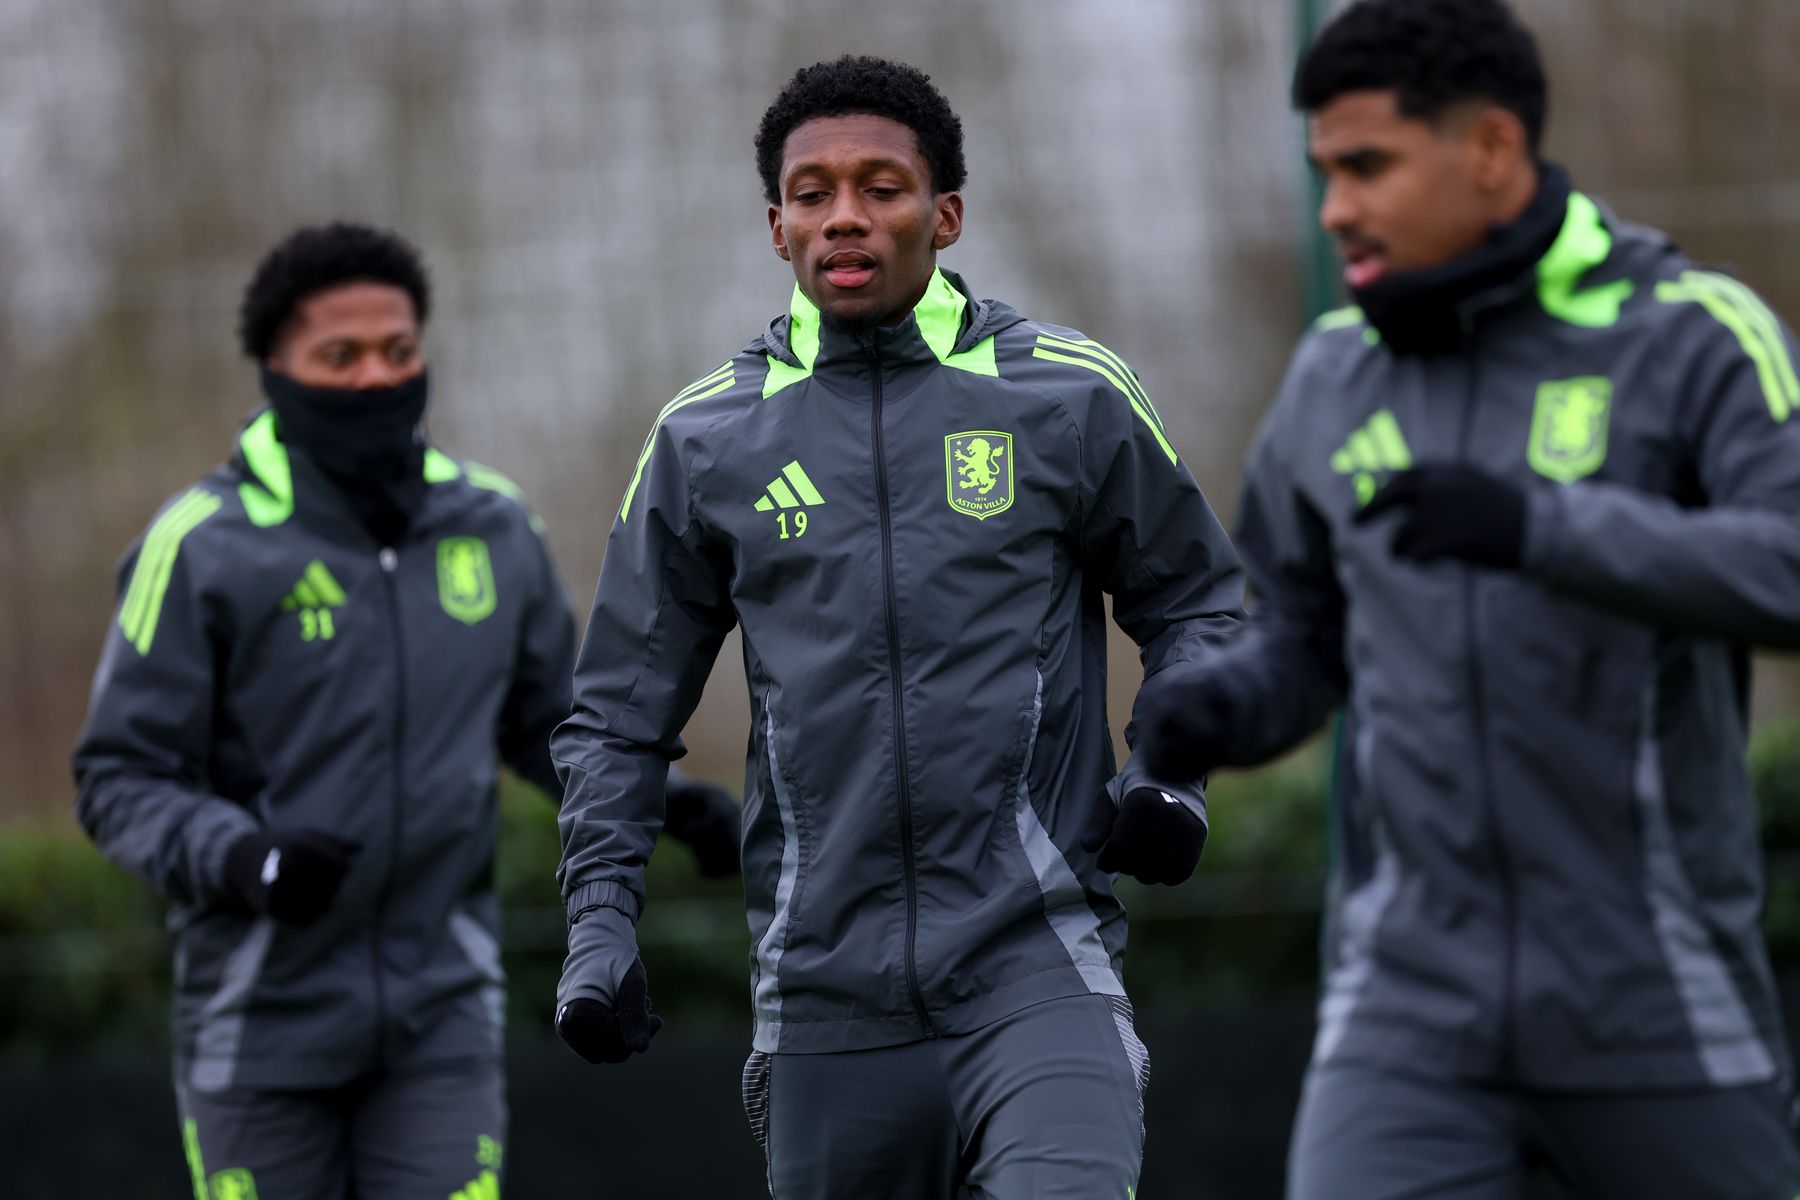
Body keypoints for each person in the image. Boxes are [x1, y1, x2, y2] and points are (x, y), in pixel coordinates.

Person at [1135, 2, 1800, 1196]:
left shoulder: (1693, 335)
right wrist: (1223, 709)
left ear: (1491, 149)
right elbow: (1304, 631)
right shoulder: (1333, 373)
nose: (1335, 208)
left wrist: (1544, 527)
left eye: (1367, 167)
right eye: (1324, 174)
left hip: (1658, 1006)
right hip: (1404, 1022)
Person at [550, 54, 1242, 1199]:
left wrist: (1172, 768)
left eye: (881, 186)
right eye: (811, 193)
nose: (845, 217)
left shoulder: (1069, 394)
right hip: (823, 1000)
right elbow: (618, 714)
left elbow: (1196, 604)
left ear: (946, 213)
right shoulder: (704, 439)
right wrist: (598, 920)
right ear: (775, 227)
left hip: (1040, 970)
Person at [71, 222, 739, 1200]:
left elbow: (550, 723)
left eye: (398, 351)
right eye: (339, 356)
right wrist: (243, 857)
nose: (376, 377)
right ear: (275, 368)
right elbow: (116, 778)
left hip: (442, 1023)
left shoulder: (496, 526)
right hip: (258, 1031)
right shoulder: (200, 547)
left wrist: (665, 801)